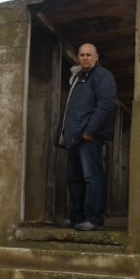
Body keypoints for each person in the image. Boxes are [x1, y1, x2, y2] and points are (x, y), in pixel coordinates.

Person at [58, 43, 117, 231]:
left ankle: (94, 219)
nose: (85, 57)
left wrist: (90, 131)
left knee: (92, 177)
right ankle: (77, 217)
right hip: (74, 136)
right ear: (78, 57)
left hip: (89, 136)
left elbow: (106, 105)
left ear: (96, 57)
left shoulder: (103, 76)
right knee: (74, 178)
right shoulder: (79, 77)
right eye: (82, 54)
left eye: (88, 55)